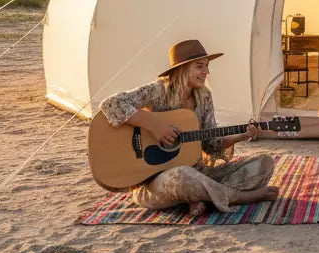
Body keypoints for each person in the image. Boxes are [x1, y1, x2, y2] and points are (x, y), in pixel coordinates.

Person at [99, 39, 279, 216]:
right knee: (182, 176)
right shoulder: (158, 91)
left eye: (207, 66)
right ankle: (240, 197)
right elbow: (111, 104)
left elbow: (210, 145)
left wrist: (242, 135)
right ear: (182, 69)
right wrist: (155, 127)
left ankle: (198, 197)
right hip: (156, 182)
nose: (206, 72)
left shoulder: (204, 96)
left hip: (198, 172)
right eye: (200, 66)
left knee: (264, 163)